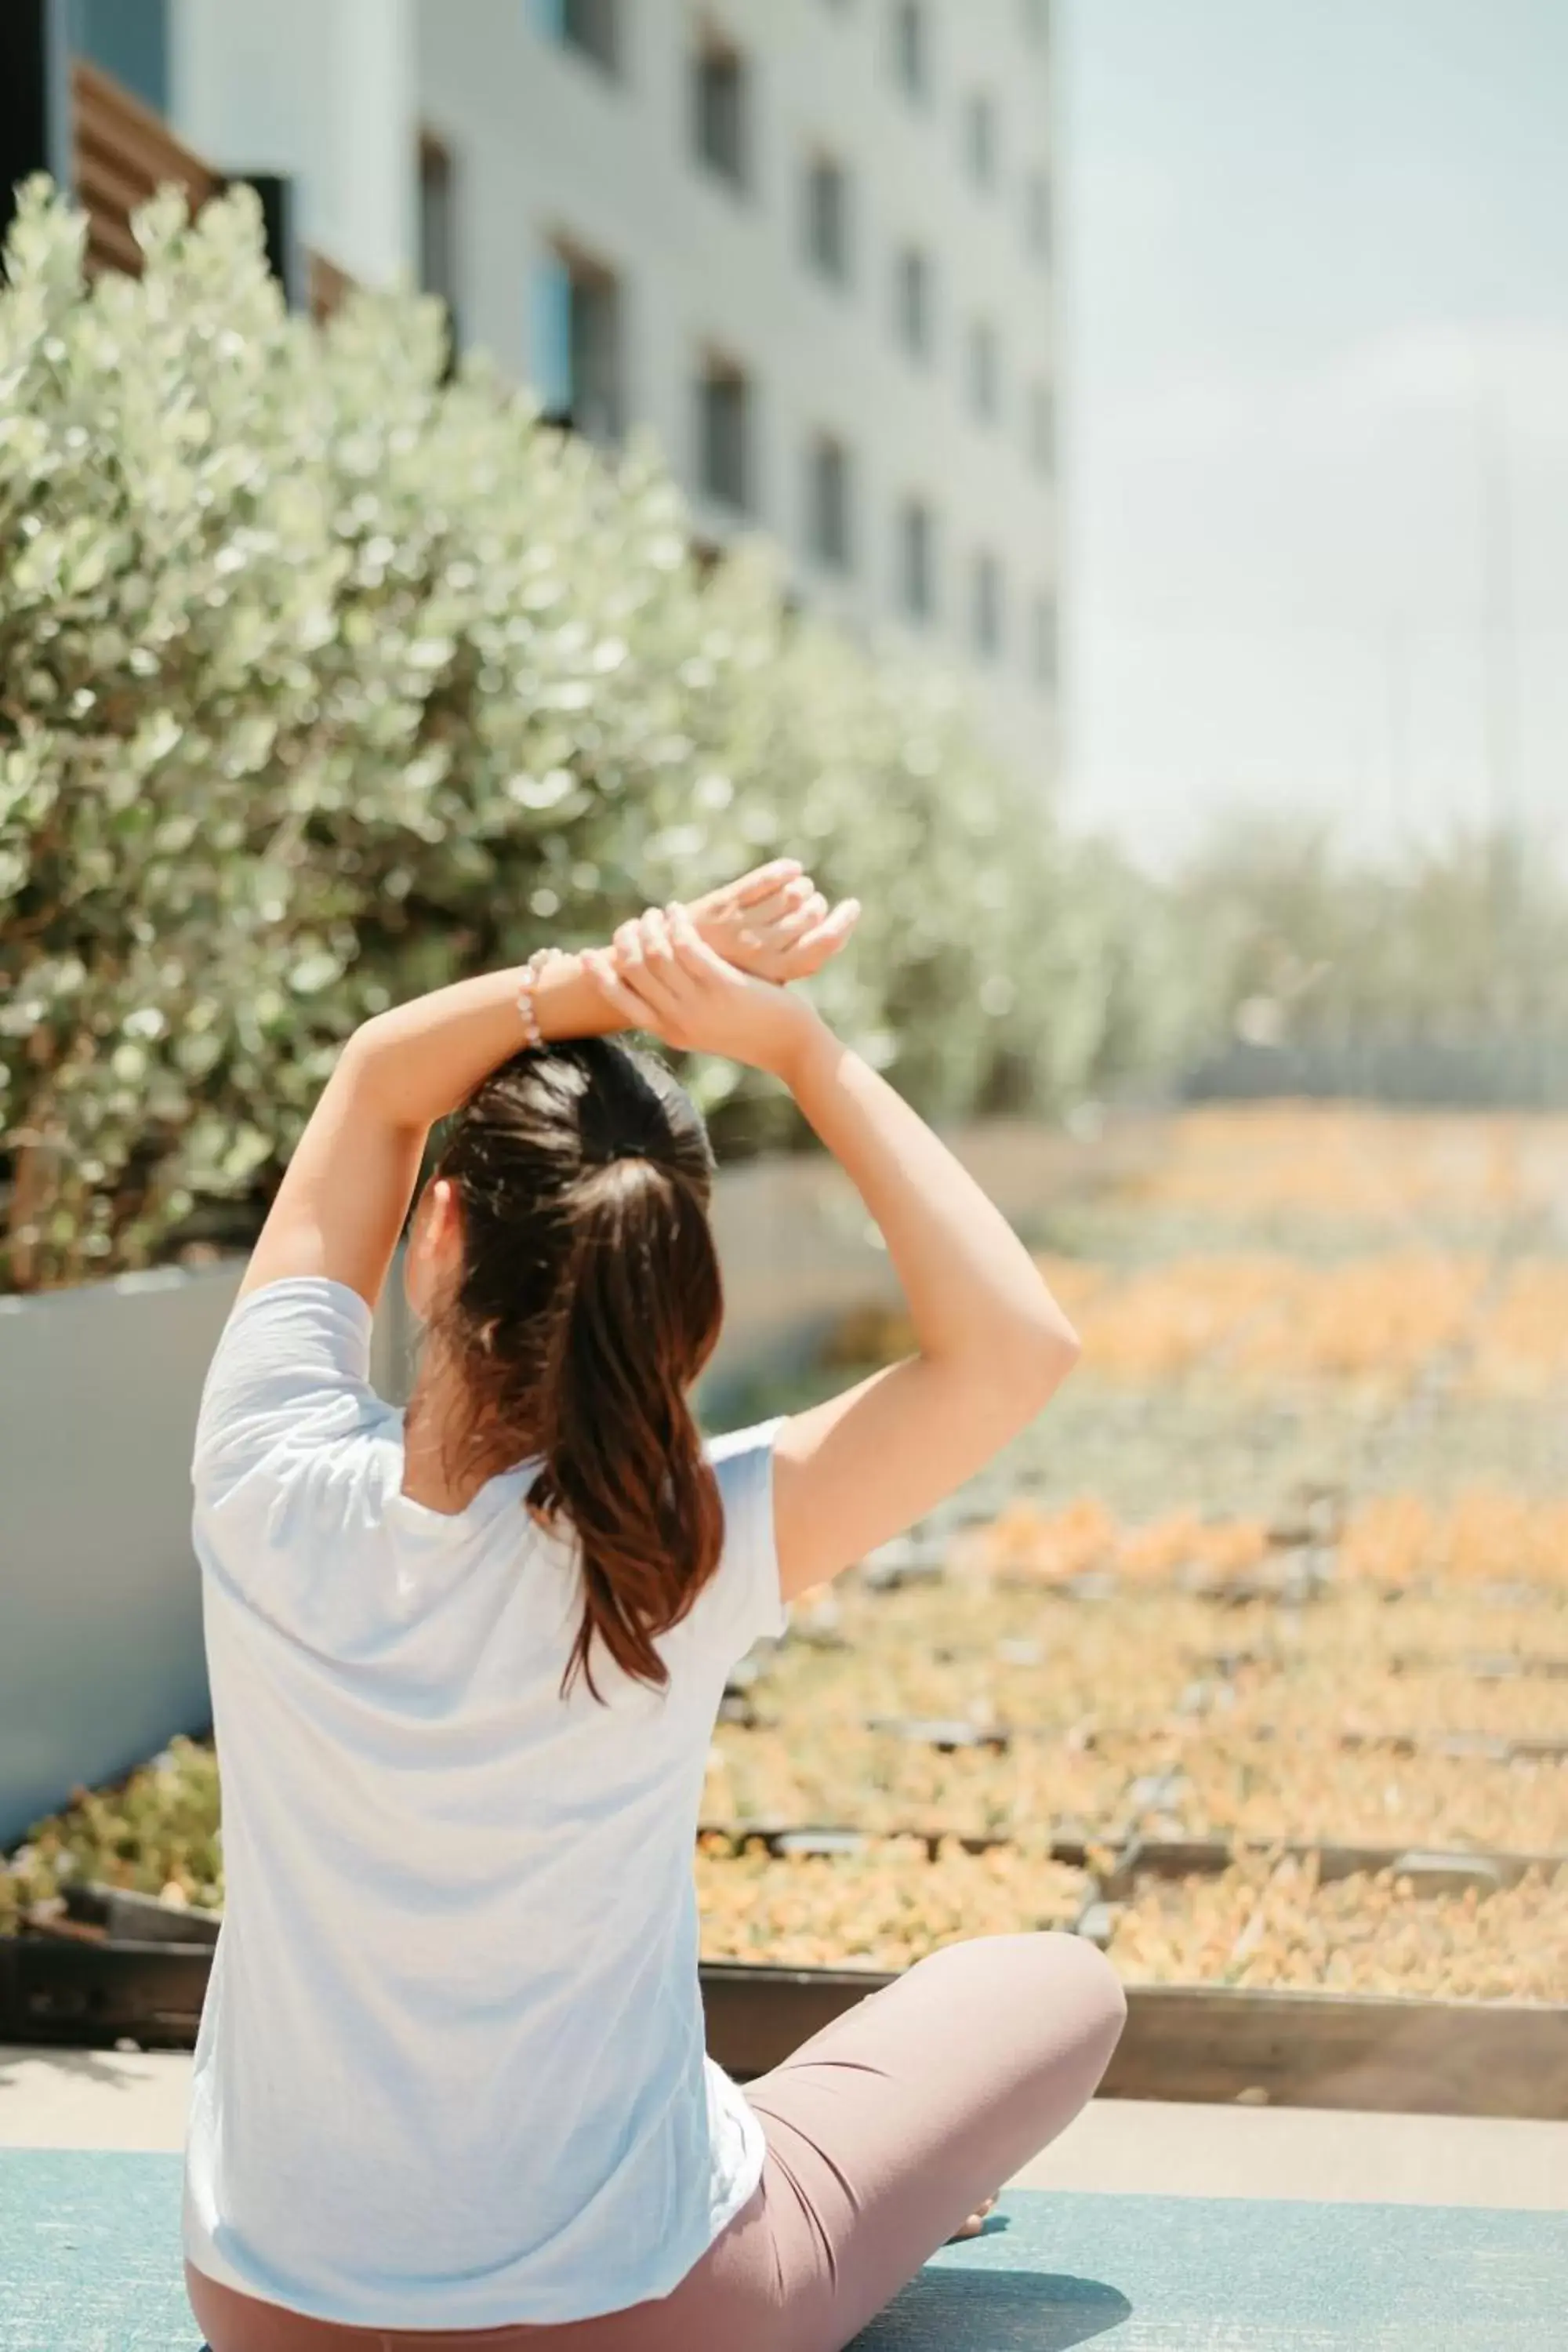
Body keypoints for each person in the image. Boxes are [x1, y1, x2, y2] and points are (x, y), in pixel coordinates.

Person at [183, 858, 1125, 2352]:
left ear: (437, 1241)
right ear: (679, 1285)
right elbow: (1014, 1345)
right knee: (1052, 1985)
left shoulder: (259, 1469)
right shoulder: (676, 1548)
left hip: (278, 2313)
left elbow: (373, 1079)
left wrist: (605, 980)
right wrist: (797, 1050)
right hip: (647, 2319)